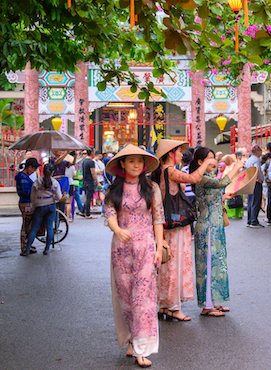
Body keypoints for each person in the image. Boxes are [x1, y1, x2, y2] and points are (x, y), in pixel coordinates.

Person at [103, 144, 165, 369]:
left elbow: (158, 218)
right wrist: (118, 230)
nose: (136, 164)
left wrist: (159, 247)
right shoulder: (113, 191)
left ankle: (141, 349)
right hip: (121, 250)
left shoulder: (152, 187)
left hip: (146, 248)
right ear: (122, 164)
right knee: (126, 298)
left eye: (140, 160)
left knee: (144, 299)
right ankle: (131, 339)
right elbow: (109, 215)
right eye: (131, 161)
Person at [150, 139, 214, 322]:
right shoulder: (169, 170)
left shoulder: (162, 172)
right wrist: (206, 165)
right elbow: (194, 178)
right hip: (176, 225)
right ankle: (173, 306)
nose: (181, 155)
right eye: (179, 152)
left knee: (167, 264)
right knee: (175, 263)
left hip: (167, 223)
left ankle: (165, 305)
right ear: (171, 153)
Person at [191, 147, 247, 316]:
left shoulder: (207, 177)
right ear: (200, 162)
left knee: (215, 264)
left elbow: (210, 196)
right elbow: (222, 183)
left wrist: (223, 197)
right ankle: (207, 306)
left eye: (214, 158)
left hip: (214, 226)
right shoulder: (201, 177)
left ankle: (212, 302)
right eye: (210, 158)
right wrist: (236, 167)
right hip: (208, 226)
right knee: (208, 265)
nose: (214, 161)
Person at [21, 163, 63, 256]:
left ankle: (27, 249)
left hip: (39, 207)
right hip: (51, 206)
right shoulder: (55, 182)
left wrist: (34, 204)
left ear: (43, 171)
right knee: (49, 227)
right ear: (52, 172)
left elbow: (32, 195)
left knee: (34, 228)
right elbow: (59, 197)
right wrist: (54, 199)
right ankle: (47, 249)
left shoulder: (37, 181)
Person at [15, 157, 41, 254]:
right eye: (34, 169)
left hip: (26, 202)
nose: (34, 171)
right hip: (26, 203)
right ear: (29, 167)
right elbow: (25, 191)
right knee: (26, 226)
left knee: (28, 225)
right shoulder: (23, 177)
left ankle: (27, 245)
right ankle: (25, 247)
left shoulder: (24, 176)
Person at [245, 145, 265, 227]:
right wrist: (259, 179)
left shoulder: (249, 159)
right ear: (256, 151)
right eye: (260, 150)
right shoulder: (256, 159)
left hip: (249, 182)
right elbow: (257, 170)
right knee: (256, 201)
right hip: (255, 182)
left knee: (250, 201)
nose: (261, 152)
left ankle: (249, 220)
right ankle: (254, 221)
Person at [80, 149, 98, 219]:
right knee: (89, 198)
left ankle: (82, 211)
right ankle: (88, 214)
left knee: (88, 197)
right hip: (90, 181)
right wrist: (97, 182)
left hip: (85, 181)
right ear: (91, 152)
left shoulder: (84, 161)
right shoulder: (91, 161)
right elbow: (93, 173)